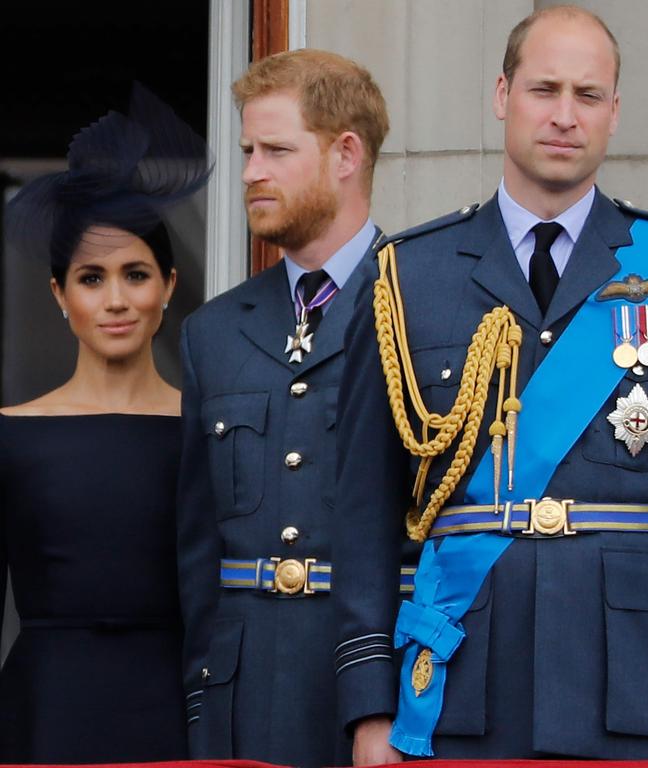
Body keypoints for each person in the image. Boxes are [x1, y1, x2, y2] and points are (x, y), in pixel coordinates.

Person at [332, 5, 648, 764]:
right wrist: (370, 706)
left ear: (615, 112)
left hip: (634, 689)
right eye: (544, 90)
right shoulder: (408, 275)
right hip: (457, 688)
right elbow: (364, 511)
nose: (565, 116)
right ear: (502, 94)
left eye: (588, 96)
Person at [176, 49, 390, 767]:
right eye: (246, 151)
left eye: (275, 149)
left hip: (379, 691)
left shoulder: (423, 306)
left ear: (346, 154)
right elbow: (199, 547)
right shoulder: (213, 332)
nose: (249, 173)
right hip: (242, 700)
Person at [0, 85, 210, 762]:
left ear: (169, 286)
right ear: (59, 293)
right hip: (44, 715)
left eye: (136, 274)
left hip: (182, 712)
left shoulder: (210, 431)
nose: (116, 299)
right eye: (92, 278)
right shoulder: (10, 435)